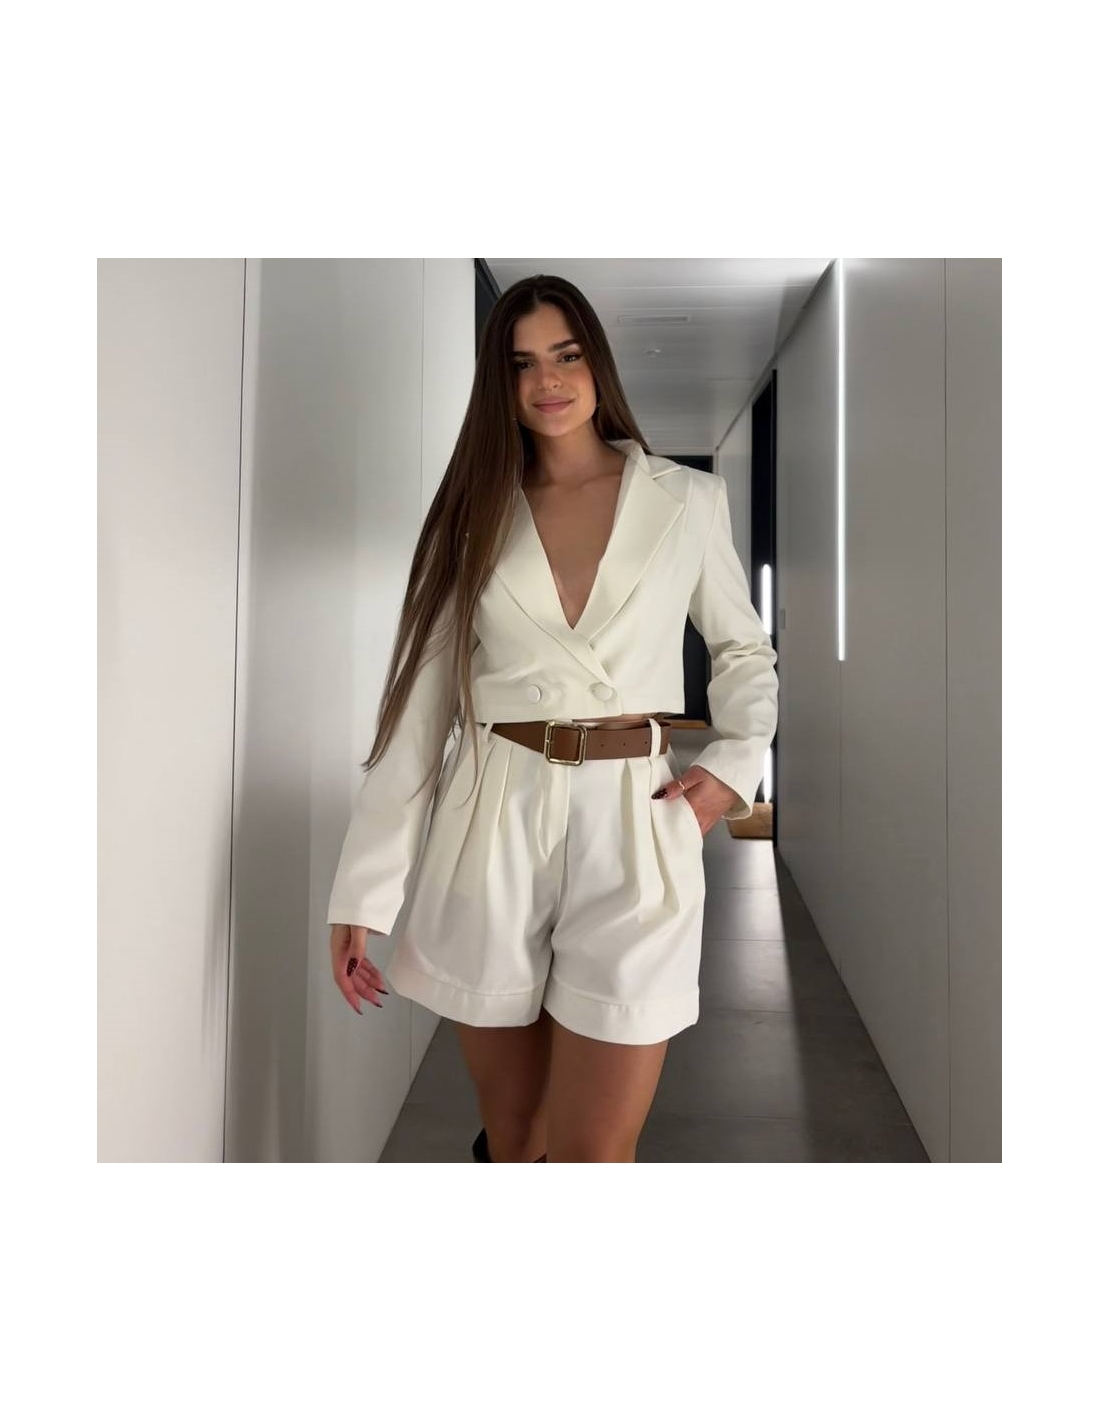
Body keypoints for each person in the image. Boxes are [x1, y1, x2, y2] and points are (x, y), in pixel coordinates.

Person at [327, 273, 778, 1163]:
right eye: (522, 363)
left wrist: (727, 775)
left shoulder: (687, 500)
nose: (547, 380)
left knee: (593, 1153)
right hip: (493, 815)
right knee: (518, 1139)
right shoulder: (472, 512)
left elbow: (743, 651)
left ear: (596, 362)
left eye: (565, 355)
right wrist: (364, 891)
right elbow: (421, 707)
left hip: (636, 819)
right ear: (500, 382)